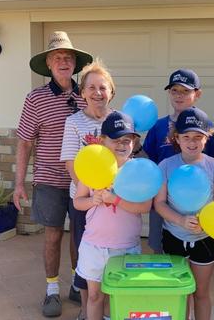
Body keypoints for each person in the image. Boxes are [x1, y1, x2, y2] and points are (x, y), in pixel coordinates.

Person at [13, 31, 93, 318]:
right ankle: (51, 291)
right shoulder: (36, 98)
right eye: (58, 57)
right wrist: (18, 183)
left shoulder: (87, 95)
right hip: (48, 179)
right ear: (48, 63)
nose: (63, 61)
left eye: (68, 57)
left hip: (83, 182)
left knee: (81, 236)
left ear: (75, 64)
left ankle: (76, 282)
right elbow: (24, 141)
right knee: (53, 235)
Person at [153, 107, 214, 320]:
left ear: (207, 138)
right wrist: (180, 220)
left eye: (198, 136)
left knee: (200, 292)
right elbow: (159, 204)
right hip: (173, 237)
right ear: (176, 138)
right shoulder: (166, 166)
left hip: (204, 239)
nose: (192, 142)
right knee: (180, 293)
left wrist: (207, 224)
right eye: (186, 136)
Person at [74, 111, 152, 320]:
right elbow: (78, 201)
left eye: (126, 141)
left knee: (122, 297)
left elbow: (145, 206)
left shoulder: (136, 171)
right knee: (95, 296)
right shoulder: (92, 167)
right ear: (102, 140)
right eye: (115, 140)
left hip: (125, 247)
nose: (121, 145)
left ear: (134, 143)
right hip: (94, 246)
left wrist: (115, 199)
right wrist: (93, 201)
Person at [143, 69, 214, 253]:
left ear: (197, 94)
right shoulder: (158, 127)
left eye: (185, 91)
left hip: (197, 206)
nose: (179, 96)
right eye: (174, 90)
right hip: (163, 203)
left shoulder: (206, 128)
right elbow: (149, 162)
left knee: (199, 255)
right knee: (162, 253)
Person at [60, 59, 117, 320]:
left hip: (115, 203)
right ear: (82, 93)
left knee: (114, 257)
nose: (97, 93)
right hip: (85, 202)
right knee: (88, 258)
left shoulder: (118, 122)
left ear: (111, 92)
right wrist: (91, 193)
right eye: (91, 87)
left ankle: (105, 310)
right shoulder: (73, 122)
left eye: (102, 87)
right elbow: (71, 163)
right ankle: (86, 309)